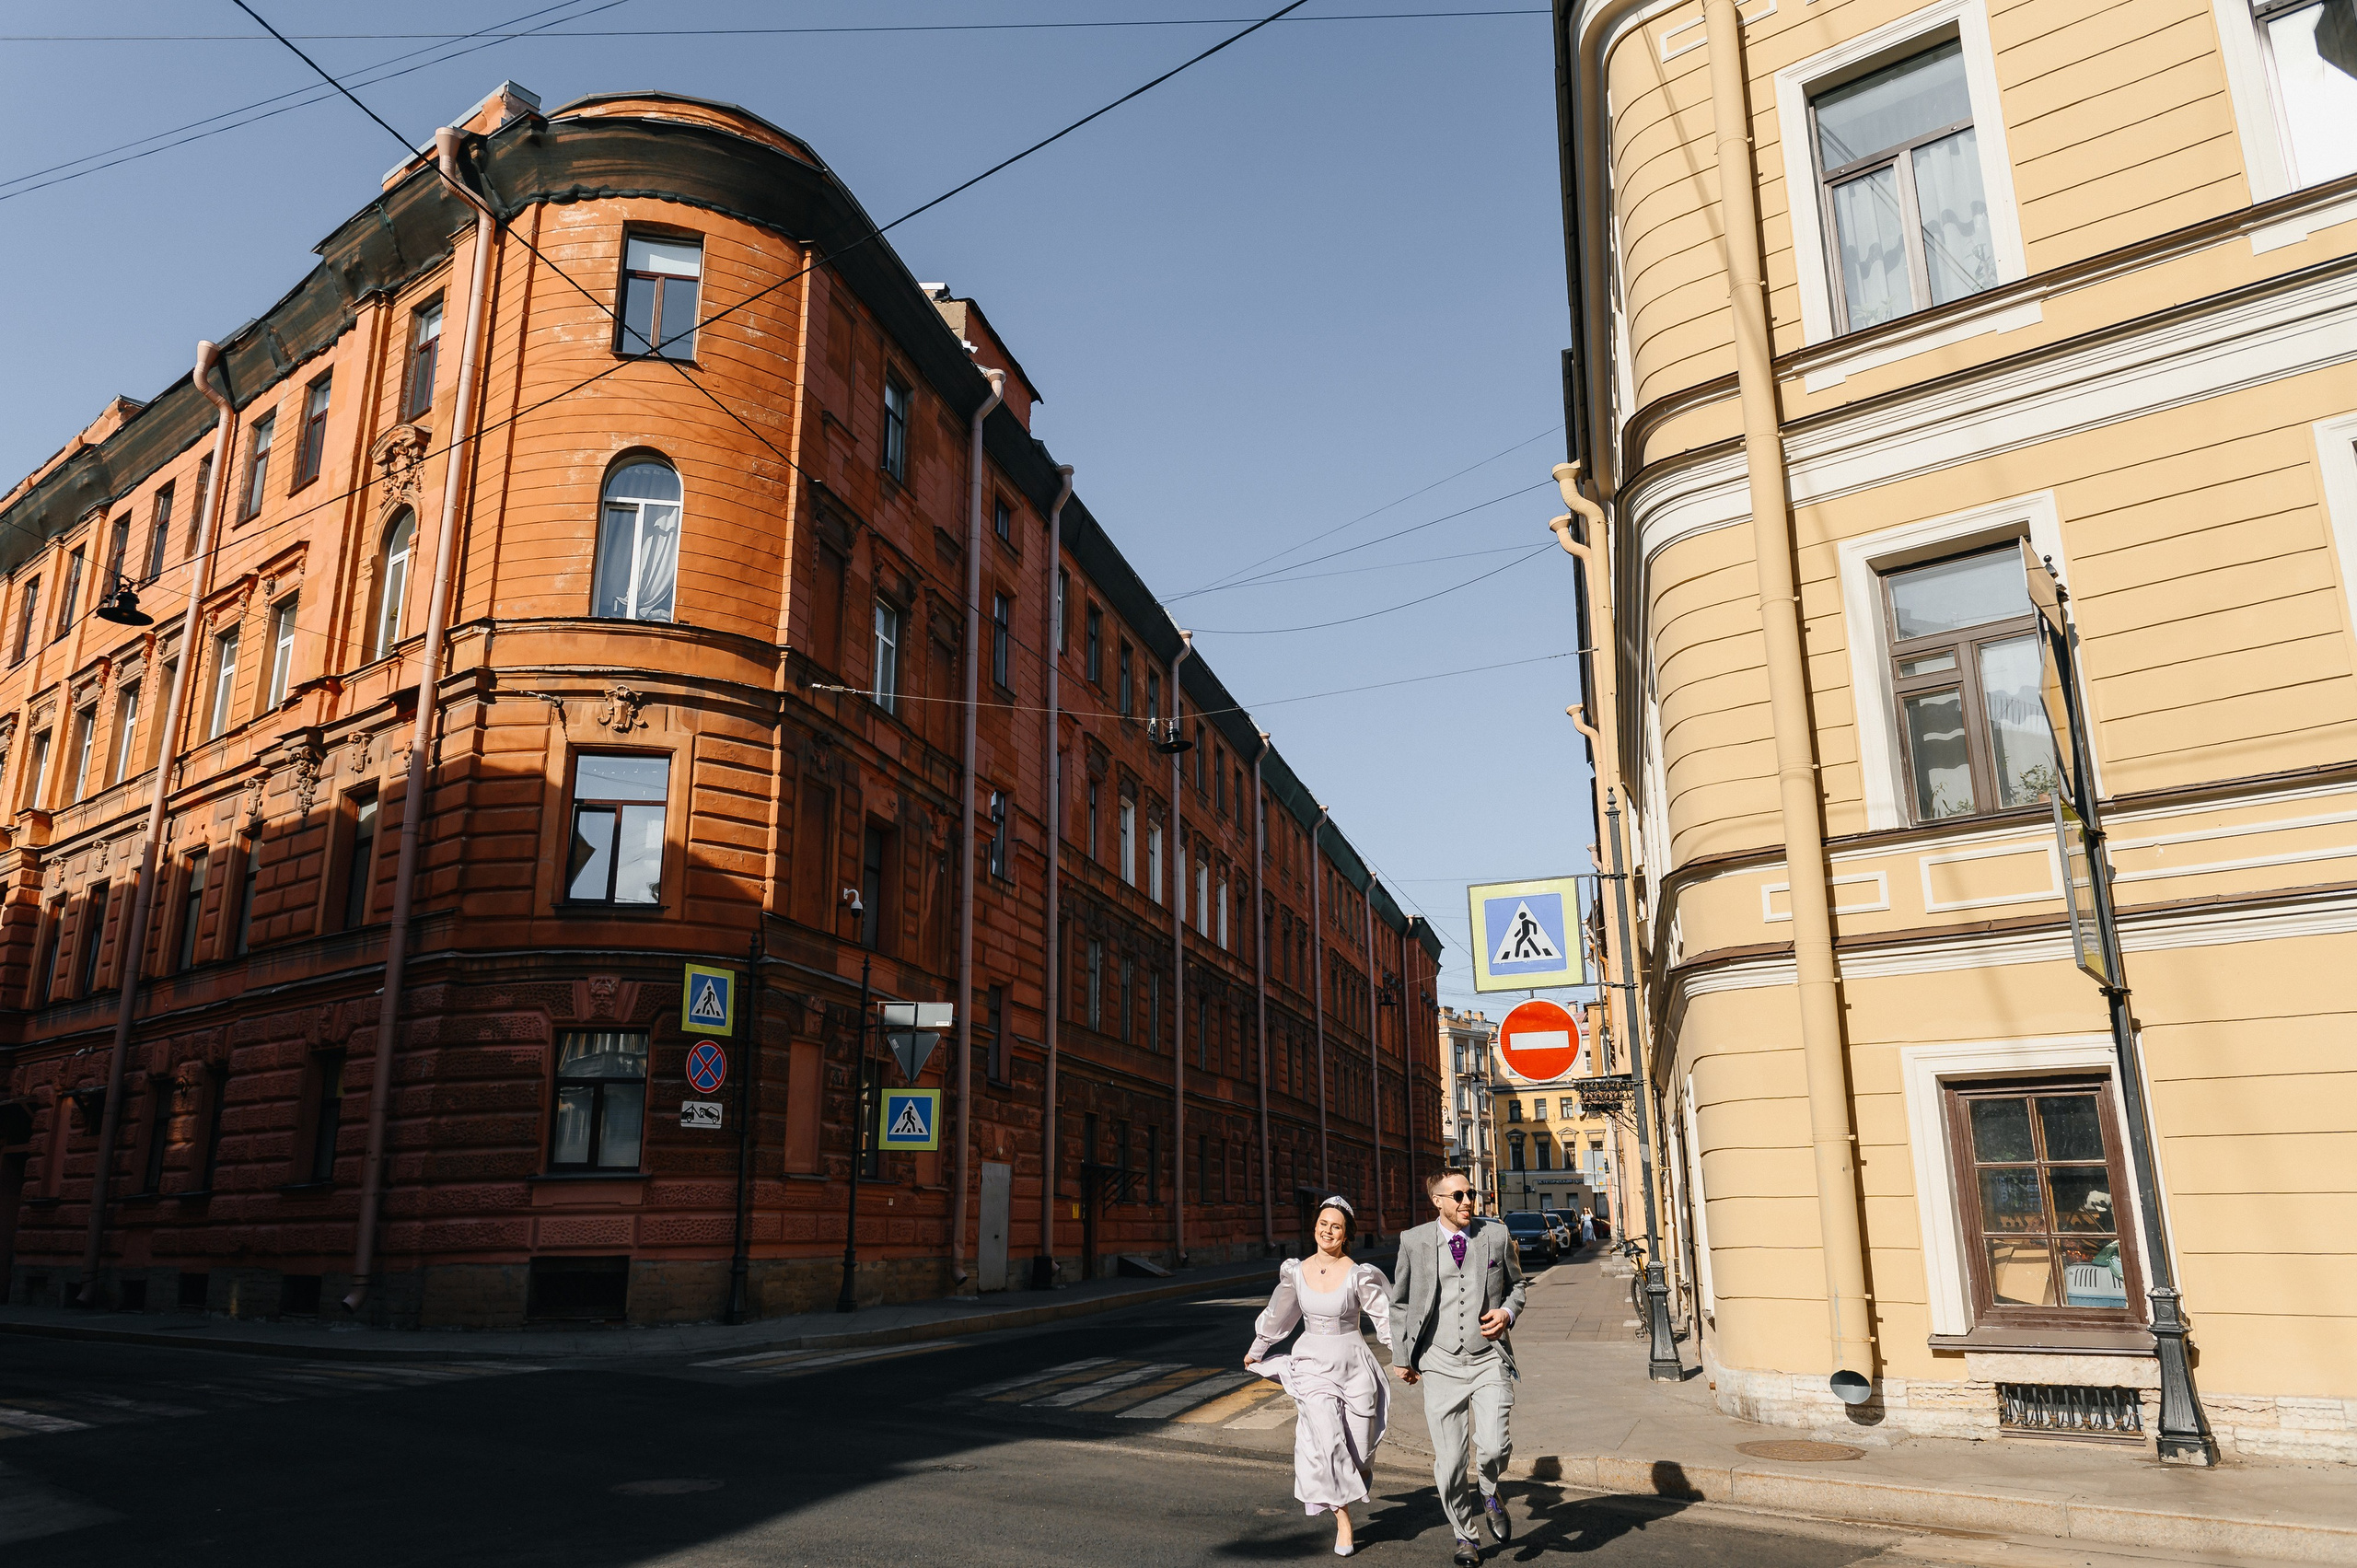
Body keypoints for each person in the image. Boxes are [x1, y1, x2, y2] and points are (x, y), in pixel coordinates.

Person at [1389, 1167, 1526, 1566]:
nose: (1469, 1201)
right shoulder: (1414, 1241)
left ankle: (1489, 1488)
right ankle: (1465, 1536)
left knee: (1494, 1446)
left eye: (1471, 1193)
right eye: (1459, 1196)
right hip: (1440, 1362)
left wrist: (1506, 1312)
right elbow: (1399, 1303)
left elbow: (1518, 1285)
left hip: (1488, 1359)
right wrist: (1402, 1357)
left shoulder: (1495, 1235)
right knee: (1449, 1466)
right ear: (1438, 1201)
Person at [1245, 1195, 1394, 1557]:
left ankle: (1354, 1477)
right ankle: (1342, 1519)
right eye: (1323, 1224)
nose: (1328, 1231)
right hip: (1311, 1363)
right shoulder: (1296, 1271)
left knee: (1358, 1450)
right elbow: (1279, 1314)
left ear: (1346, 1235)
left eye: (1336, 1226)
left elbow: (1385, 1318)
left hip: (1353, 1363)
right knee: (1326, 1440)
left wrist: (1404, 1358)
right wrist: (1258, 1348)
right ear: (1315, 1227)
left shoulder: (1359, 1274)